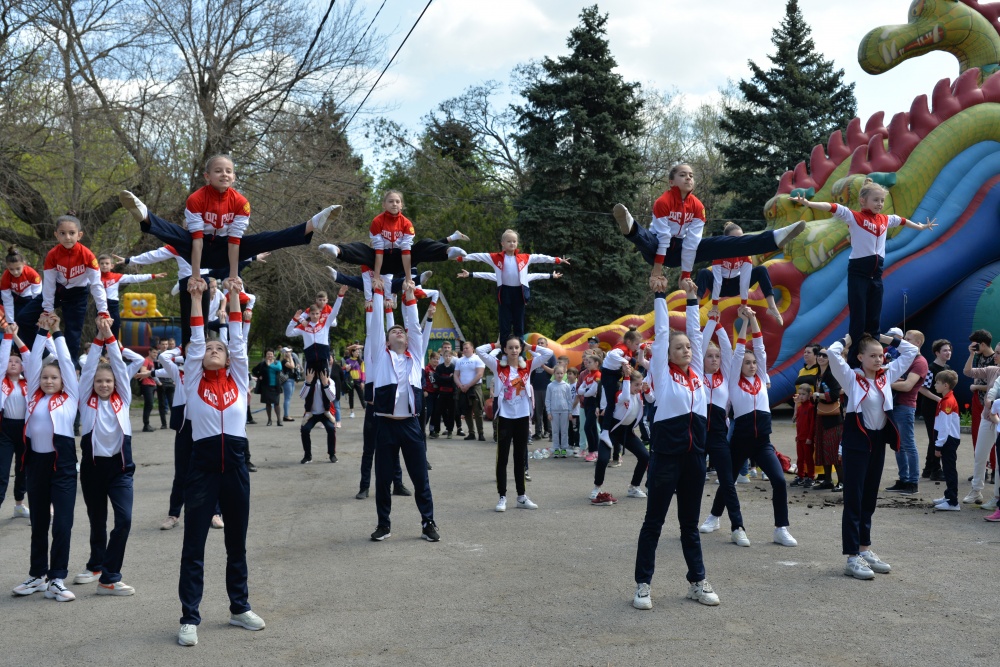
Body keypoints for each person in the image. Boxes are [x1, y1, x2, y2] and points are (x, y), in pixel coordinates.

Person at [119, 156, 339, 343]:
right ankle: (144, 215)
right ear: (207, 176)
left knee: (265, 239)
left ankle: (313, 224)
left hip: (226, 248)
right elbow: (197, 241)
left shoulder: (241, 202)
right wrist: (195, 276)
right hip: (199, 246)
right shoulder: (195, 199)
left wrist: (233, 276)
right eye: (218, 171)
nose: (224, 174)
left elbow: (235, 242)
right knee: (177, 234)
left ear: (234, 177)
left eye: (228, 171)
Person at [177, 278, 264, 647]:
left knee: (236, 543)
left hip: (237, 467)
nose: (212, 350)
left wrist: (233, 295)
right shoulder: (193, 381)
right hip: (203, 467)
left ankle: (239, 608)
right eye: (208, 349)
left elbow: (238, 343)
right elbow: (197, 339)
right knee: (194, 545)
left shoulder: (239, 379)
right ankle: (189, 618)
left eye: (219, 348)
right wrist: (197, 298)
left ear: (229, 360)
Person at [633, 277, 719, 610]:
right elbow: (664, 333)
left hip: (695, 458)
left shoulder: (697, 373)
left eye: (687, 348)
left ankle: (697, 581)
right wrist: (660, 294)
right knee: (653, 523)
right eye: (678, 347)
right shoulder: (664, 374)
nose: (686, 350)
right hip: (666, 458)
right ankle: (643, 585)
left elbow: (696, 336)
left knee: (689, 526)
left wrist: (693, 299)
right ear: (667, 354)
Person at [792, 181, 936, 362]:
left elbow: (901, 220)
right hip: (859, 273)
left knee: (874, 320)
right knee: (858, 320)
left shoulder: (885, 219)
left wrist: (920, 227)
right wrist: (809, 203)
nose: (880, 204)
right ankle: (854, 360)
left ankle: (874, 358)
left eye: (882, 200)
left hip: (876, 275)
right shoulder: (854, 217)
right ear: (862, 201)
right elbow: (832, 207)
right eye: (875, 200)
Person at [615, 164, 806, 288]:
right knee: (649, 239)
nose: (688, 178)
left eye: (691, 175)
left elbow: (692, 243)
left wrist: (686, 275)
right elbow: (664, 238)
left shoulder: (698, 206)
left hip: (681, 248)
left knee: (722, 243)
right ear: (671, 182)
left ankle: (773, 238)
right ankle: (630, 226)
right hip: (656, 247)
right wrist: (657, 270)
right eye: (683, 175)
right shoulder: (662, 202)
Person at [826, 331, 918, 580]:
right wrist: (850, 337)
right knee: (854, 498)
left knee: (869, 497)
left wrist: (883, 337)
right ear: (860, 357)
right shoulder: (851, 377)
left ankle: (864, 549)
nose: (879, 360)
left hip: (877, 441)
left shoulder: (886, 375)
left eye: (881, 356)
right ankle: (851, 557)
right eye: (873, 356)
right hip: (857, 441)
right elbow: (832, 352)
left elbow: (911, 351)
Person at [74, 316, 144, 596]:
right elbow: (90, 368)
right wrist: (97, 339)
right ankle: (95, 565)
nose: (104, 385)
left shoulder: (123, 399)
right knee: (97, 520)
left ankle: (110, 576)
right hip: (92, 469)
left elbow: (118, 365)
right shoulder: (85, 399)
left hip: (120, 469)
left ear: (116, 383)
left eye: (108, 381)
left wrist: (110, 337)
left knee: (124, 520)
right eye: (99, 381)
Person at [12, 313, 79, 601]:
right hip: (36, 465)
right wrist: (41, 331)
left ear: (63, 381)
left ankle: (57, 578)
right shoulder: (32, 396)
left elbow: (66, 362)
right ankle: (37, 575)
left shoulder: (71, 397)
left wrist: (58, 332)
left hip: (62, 466)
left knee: (62, 524)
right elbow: (32, 361)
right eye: (44, 377)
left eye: (54, 378)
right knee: (38, 523)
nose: (48, 381)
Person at [367, 282, 439, 542]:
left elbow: (415, 327)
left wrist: (410, 297)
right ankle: (383, 525)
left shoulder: (416, 356)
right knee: (383, 480)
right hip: (385, 426)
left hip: (410, 425)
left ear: (407, 339)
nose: (398, 331)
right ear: (386, 341)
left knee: (421, 478)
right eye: (393, 331)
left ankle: (428, 523)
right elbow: (376, 325)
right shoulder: (379, 355)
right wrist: (377, 293)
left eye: (401, 331)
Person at [725, 306, 797, 547]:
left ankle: (781, 529)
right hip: (740, 441)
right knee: (728, 482)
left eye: (754, 363)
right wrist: (744, 322)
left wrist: (753, 318)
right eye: (748, 363)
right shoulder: (734, 381)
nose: (752, 365)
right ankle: (717, 517)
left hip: (763, 442)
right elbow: (739, 352)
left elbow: (760, 347)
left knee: (779, 480)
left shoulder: (761, 377)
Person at [15, 216, 111, 365]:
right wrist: (47, 310)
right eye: (63, 233)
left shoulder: (87, 255)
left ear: (79, 235)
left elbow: (97, 285)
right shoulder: (52, 255)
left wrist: (103, 311)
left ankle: (70, 367)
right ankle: (45, 356)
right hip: (58, 290)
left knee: (73, 333)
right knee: (23, 318)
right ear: (56, 235)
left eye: (72, 233)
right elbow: (49, 284)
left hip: (78, 294)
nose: (67, 237)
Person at [476, 335, 553, 512]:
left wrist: (530, 347)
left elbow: (548, 353)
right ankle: (502, 497)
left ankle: (521, 496)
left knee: (520, 457)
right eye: (510, 347)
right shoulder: (497, 366)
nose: (514, 350)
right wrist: (495, 345)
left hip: (522, 417)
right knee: (502, 458)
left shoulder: (528, 366)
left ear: (521, 349)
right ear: (505, 350)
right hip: (505, 417)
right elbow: (479, 351)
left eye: (517, 347)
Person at [457, 229, 570, 341]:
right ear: (503, 244)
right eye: (509, 241)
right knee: (504, 323)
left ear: (517, 243)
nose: (512, 243)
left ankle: (520, 346)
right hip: (505, 292)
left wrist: (557, 260)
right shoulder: (496, 257)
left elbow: (541, 258)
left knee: (518, 322)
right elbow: (478, 256)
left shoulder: (525, 258)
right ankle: (504, 346)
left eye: (514, 241)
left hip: (519, 292)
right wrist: (461, 258)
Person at [698, 316, 745, 541]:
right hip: (696, 435)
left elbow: (727, 349)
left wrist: (719, 325)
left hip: (718, 435)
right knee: (693, 482)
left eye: (716, 356)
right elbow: (700, 344)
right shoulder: (696, 374)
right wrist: (710, 324)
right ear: (702, 358)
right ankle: (690, 525)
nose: (714, 359)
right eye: (710, 356)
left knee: (728, 481)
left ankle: (738, 527)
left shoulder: (725, 376)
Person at [695, 222, 784, 324]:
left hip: (736, 286)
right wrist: (715, 306)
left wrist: (744, 304)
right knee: (703, 272)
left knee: (761, 270)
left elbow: (745, 279)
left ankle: (772, 307)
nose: (738, 243)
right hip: (720, 286)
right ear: (726, 240)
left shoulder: (745, 255)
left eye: (741, 239)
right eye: (734, 239)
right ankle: (695, 308)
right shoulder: (719, 253)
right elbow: (717, 281)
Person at [591, 369, 652, 505]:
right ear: (627, 384)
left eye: (640, 384)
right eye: (636, 385)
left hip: (627, 432)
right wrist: (627, 376)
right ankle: (597, 488)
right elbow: (624, 397)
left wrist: (647, 389)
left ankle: (634, 487)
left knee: (645, 456)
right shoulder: (620, 395)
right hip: (612, 431)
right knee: (603, 459)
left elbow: (652, 398)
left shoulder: (639, 395)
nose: (639, 387)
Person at [886, 330, 928, 495]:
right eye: (904, 339)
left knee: (908, 445)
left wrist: (884, 382)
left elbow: (907, 385)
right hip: (896, 404)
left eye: (908, 339)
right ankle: (904, 479)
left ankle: (912, 482)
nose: (904, 341)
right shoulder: (904, 358)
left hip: (905, 406)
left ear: (918, 343)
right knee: (899, 445)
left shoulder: (920, 362)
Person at [598, 330, 646, 452]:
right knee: (610, 404)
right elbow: (611, 354)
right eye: (636, 344)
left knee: (614, 402)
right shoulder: (622, 348)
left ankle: (612, 429)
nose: (637, 346)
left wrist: (642, 348)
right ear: (628, 341)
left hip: (615, 374)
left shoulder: (629, 348)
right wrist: (624, 362)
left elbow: (637, 352)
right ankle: (605, 432)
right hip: (609, 376)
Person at [0, 324, 30, 519]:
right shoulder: (1, 381)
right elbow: (2, 358)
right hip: (4, 430)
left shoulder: (30, 382)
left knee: (22, 469)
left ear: (22, 366)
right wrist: (8, 336)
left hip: (24, 430)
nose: (12, 363)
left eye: (16, 361)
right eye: (9, 361)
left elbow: (29, 357)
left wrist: (16, 338)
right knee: (2, 472)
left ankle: (19, 504)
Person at [97, 254, 166, 337]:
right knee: (101, 329)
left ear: (112, 266)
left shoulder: (116, 277)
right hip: (100, 305)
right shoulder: (95, 278)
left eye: (107, 263)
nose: (104, 265)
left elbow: (134, 278)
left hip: (113, 305)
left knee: (115, 327)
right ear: (98, 265)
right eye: (102, 263)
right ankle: (101, 344)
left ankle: (114, 344)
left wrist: (153, 276)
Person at [919, 339, 952, 481]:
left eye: (949, 350)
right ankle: (935, 470)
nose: (948, 352)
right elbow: (922, 389)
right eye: (945, 350)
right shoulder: (931, 369)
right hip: (931, 409)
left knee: (935, 438)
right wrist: (939, 399)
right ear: (937, 353)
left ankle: (928, 469)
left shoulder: (947, 368)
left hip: (943, 409)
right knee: (936, 439)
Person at [966, 330, 996, 480]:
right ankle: (981, 469)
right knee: (976, 434)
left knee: (993, 435)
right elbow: (969, 372)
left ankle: (994, 469)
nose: (972, 346)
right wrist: (971, 355)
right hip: (978, 400)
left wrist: (977, 387)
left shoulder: (995, 360)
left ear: (982, 344)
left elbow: (993, 386)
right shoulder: (978, 356)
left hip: (991, 402)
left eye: (975, 344)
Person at [812, 348, 844, 491]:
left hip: (833, 419)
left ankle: (842, 482)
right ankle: (827, 480)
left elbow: (835, 395)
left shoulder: (832, 374)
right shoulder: (818, 375)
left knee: (834, 450)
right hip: (821, 416)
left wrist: (818, 396)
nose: (821, 357)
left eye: (824, 355)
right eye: (819, 354)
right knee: (822, 449)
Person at [931, 370, 962, 511]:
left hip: (948, 440)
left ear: (945, 385)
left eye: (937, 383)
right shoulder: (945, 400)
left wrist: (938, 446)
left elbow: (945, 427)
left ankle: (953, 502)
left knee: (949, 470)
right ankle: (949, 495)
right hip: (947, 439)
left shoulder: (947, 402)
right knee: (948, 468)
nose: (935, 385)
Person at [298, 369, 337, 464]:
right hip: (311, 413)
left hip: (325, 413)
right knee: (304, 429)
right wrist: (307, 383)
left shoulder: (330, 381)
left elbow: (332, 397)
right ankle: (307, 456)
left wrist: (325, 384)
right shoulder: (309, 380)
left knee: (331, 429)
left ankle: (332, 454)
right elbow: (302, 396)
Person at [1, 245, 42, 330]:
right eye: (11, 269)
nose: (15, 272)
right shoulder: (5, 277)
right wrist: (10, 322)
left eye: (18, 268)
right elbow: (7, 301)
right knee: (17, 321)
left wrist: (39, 315)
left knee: (24, 319)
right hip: (14, 298)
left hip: (29, 298)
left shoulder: (32, 274)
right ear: (7, 267)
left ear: (24, 264)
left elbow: (37, 297)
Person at [454, 341, 486, 442]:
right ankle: (471, 433)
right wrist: (460, 385)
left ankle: (481, 433)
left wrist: (469, 385)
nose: (465, 350)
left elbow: (479, 374)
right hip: (463, 388)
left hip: (475, 387)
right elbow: (455, 375)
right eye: (463, 348)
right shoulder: (459, 361)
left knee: (477, 411)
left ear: (472, 349)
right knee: (466, 411)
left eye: (467, 348)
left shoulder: (478, 358)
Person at [545, 365, 574, 458]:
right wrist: (549, 412)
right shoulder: (550, 386)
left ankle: (564, 449)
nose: (559, 375)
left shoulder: (566, 386)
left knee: (564, 431)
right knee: (555, 431)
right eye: (557, 373)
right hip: (554, 411)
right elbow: (547, 400)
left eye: (561, 373)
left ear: (564, 373)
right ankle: (556, 449)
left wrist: (570, 412)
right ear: (554, 373)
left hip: (565, 411)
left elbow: (569, 400)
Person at [578, 354, 602, 462]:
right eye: (586, 362)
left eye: (590, 362)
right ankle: (595, 451)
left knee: (588, 427)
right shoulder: (587, 376)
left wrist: (586, 391)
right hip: (586, 403)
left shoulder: (598, 375)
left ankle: (592, 450)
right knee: (592, 428)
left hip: (593, 403)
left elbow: (592, 391)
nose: (587, 364)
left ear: (596, 363)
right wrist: (586, 391)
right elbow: (580, 390)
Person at [791, 385, 817, 488]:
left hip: (807, 439)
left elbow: (812, 424)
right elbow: (797, 421)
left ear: (809, 394)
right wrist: (797, 436)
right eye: (800, 394)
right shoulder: (800, 407)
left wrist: (810, 437)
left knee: (809, 459)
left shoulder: (811, 407)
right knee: (800, 459)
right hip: (800, 438)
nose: (801, 396)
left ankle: (811, 477)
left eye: (803, 394)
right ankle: (800, 476)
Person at [529, 337, 554, 441]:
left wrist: (542, 365)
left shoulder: (551, 356)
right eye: (538, 343)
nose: (540, 345)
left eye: (542, 343)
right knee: (537, 411)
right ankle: (538, 432)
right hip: (536, 387)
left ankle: (550, 432)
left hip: (547, 387)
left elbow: (553, 371)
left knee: (548, 410)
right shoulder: (535, 357)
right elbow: (531, 372)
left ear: (546, 345)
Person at [252, 349, 284, 426]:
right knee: (268, 403)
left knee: (276, 403)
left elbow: (279, 368)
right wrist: (259, 376)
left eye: (271, 354)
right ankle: (269, 420)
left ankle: (279, 420)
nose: (270, 356)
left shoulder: (277, 362)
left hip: (275, 386)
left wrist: (270, 365)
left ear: (273, 355)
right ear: (265, 355)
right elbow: (254, 370)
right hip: (266, 386)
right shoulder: (262, 364)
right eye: (268, 354)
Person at [433, 342, 457, 438]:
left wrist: (446, 378)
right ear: (443, 356)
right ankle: (436, 431)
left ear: (451, 357)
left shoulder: (454, 367)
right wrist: (448, 378)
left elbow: (454, 380)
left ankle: (450, 430)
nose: (447, 358)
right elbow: (437, 379)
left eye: (449, 356)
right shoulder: (439, 367)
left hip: (451, 393)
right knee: (438, 411)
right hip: (441, 392)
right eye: (446, 356)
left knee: (451, 412)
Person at [137, 344, 161, 432]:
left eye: (156, 353)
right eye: (154, 352)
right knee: (149, 404)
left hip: (152, 384)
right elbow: (143, 370)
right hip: (146, 384)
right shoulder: (146, 360)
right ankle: (146, 425)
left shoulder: (152, 362)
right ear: (149, 352)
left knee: (150, 405)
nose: (155, 354)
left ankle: (147, 424)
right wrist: (152, 372)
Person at [280, 348, 301, 422]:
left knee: (289, 397)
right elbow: (292, 366)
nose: (289, 353)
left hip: (292, 380)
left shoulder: (291, 360)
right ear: (284, 353)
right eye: (287, 352)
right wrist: (290, 358)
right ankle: (286, 415)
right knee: (287, 398)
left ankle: (286, 415)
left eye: (290, 352)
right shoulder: (284, 361)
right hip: (287, 380)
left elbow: (294, 367)